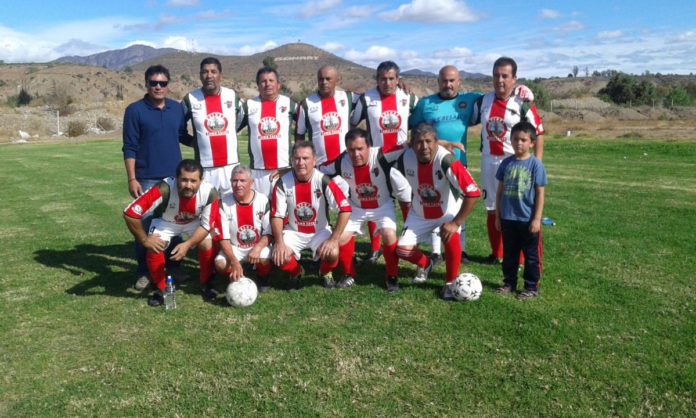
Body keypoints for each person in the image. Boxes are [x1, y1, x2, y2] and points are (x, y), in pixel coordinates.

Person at [122, 64, 190, 291]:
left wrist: (206, 138)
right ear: (147, 84)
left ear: (168, 85)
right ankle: (144, 271)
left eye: (162, 83)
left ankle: (173, 267)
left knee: (174, 223)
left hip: (174, 178)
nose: (158, 87)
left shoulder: (176, 108)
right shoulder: (135, 110)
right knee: (146, 225)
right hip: (148, 178)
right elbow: (129, 147)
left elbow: (182, 136)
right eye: (154, 83)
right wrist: (132, 178)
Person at [394, 123, 481, 299]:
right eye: (419, 142)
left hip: (446, 212)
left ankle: (450, 282)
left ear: (436, 142)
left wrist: (455, 223)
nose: (424, 147)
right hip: (419, 213)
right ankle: (426, 264)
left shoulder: (446, 160)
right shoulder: (403, 157)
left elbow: (473, 192)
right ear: (411, 144)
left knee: (450, 234)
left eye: (429, 141)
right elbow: (381, 152)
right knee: (402, 250)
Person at [471, 57, 544, 264]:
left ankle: (522, 258)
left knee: (518, 211)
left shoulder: (523, 103)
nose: (500, 80)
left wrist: (535, 166)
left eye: (505, 76)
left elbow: (538, 134)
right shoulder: (483, 101)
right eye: (496, 75)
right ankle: (497, 254)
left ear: (514, 79)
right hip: (488, 162)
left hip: (514, 163)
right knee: (492, 208)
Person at [320, 128, 412, 292]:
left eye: (360, 149)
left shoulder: (382, 154)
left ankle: (391, 277)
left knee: (389, 234)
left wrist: (443, 144)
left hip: (383, 205)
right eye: (351, 149)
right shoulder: (341, 161)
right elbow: (318, 170)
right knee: (340, 239)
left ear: (369, 146)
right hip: (356, 207)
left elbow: (409, 144)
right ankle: (348, 274)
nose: (355, 154)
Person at [409, 65, 482, 264]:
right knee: (434, 205)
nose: (447, 84)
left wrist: (521, 92)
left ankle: (462, 250)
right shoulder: (426, 103)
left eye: (452, 80)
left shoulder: (469, 99)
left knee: (458, 207)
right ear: (438, 82)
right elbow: (414, 132)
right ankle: (435, 252)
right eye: (443, 80)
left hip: (459, 163)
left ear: (459, 81)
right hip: (433, 165)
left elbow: (495, 98)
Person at [123, 159, 219, 306]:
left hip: (193, 223)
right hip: (166, 222)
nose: (188, 185)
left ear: (201, 180)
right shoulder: (164, 188)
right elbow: (130, 213)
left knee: (207, 243)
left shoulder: (210, 192)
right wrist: (144, 240)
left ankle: (206, 282)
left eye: (193, 181)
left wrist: (187, 244)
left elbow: (206, 226)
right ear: (176, 178)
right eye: (184, 180)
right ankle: (161, 289)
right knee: (154, 245)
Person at [350, 61, 417, 264]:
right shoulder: (366, 99)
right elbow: (353, 123)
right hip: (376, 160)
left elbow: (418, 121)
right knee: (373, 200)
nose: (387, 82)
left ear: (398, 80)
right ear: (377, 79)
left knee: (407, 202)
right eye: (382, 78)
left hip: (402, 160)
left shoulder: (410, 98)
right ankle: (374, 248)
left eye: (391, 78)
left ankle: (409, 243)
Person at [171, 165, 274, 297]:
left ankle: (262, 278)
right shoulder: (223, 203)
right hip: (233, 246)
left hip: (256, 245)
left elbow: (269, 231)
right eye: (234, 181)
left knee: (264, 257)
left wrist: (258, 247)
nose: (238, 185)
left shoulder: (263, 200)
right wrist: (234, 261)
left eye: (243, 181)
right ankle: (238, 276)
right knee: (220, 264)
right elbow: (223, 237)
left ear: (251, 183)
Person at [270, 141, 352, 290]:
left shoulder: (324, 180)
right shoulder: (282, 183)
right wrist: (279, 243)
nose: (301, 162)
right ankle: (296, 272)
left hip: (319, 231)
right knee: (278, 256)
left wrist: (333, 239)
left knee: (333, 252)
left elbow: (345, 209)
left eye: (305, 158)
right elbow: (276, 216)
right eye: (297, 158)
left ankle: (325, 272)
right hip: (293, 231)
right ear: (291, 161)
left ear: (314, 161)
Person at [494, 121, 547, 300]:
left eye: (524, 140)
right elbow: (499, 192)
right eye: (515, 139)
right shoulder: (506, 163)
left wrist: (536, 219)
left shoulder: (535, 165)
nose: (519, 143)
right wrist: (498, 216)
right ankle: (509, 283)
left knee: (531, 256)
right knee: (509, 254)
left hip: (527, 219)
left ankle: (531, 287)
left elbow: (540, 193)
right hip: (508, 218)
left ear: (531, 143)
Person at [182, 57, 244, 194]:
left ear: (220, 75)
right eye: (205, 72)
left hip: (231, 165)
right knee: (206, 210)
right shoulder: (191, 99)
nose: (209, 76)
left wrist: (230, 133)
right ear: (200, 75)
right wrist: (194, 142)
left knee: (231, 210)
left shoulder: (232, 96)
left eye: (213, 71)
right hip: (204, 167)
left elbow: (241, 119)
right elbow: (178, 128)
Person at [239, 67, 298, 196]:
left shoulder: (290, 104)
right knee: (261, 212)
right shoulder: (249, 106)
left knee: (285, 212)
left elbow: (307, 127)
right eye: (263, 81)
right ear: (258, 85)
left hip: (284, 169)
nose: (268, 84)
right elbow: (231, 129)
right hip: (257, 172)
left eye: (271, 80)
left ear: (278, 85)